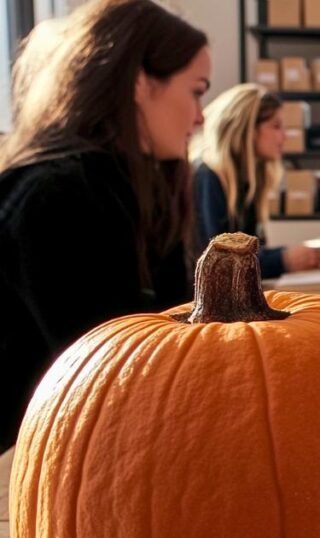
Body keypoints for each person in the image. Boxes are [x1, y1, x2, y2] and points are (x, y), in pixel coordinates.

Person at [0, 0, 210, 449]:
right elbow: (111, 379)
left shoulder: (143, 190)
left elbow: (177, 334)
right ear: (138, 83)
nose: (200, 117)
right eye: (196, 91)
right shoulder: (54, 198)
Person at [191, 84, 320, 278]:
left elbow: (248, 254)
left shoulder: (249, 180)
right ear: (247, 129)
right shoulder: (208, 176)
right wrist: (283, 260)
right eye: (275, 126)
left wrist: (289, 255)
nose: (284, 137)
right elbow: (220, 263)